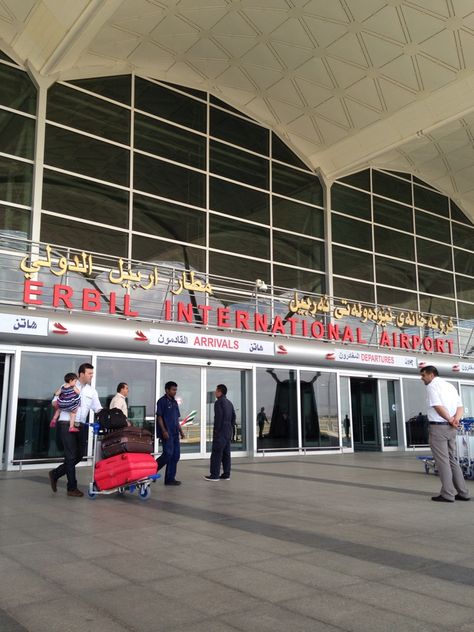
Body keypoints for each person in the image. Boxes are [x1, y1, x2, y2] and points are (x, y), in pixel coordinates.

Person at [48, 363, 102, 497]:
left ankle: (55, 474)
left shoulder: (92, 391)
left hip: (81, 425)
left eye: (92, 373)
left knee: (79, 455)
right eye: (89, 373)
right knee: (71, 456)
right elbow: (54, 402)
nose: (91, 376)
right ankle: (71, 488)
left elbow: (98, 409)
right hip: (66, 423)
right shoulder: (66, 386)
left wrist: (111, 415)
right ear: (81, 374)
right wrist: (63, 401)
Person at [420, 365, 470, 503]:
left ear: (431, 374)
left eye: (423, 375)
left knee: (442, 462)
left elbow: (437, 406)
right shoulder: (450, 386)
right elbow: (460, 407)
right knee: (452, 460)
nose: (421, 378)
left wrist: (450, 419)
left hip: (439, 428)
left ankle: (448, 494)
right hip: (451, 428)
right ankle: (463, 492)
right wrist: (455, 420)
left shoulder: (432, 386)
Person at [204, 384, 236, 481]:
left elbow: (219, 418)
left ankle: (214, 475)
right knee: (226, 454)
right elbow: (233, 417)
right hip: (227, 432)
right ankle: (226, 474)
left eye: (216, 390)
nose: (215, 392)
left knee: (216, 454)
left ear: (220, 392)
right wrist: (230, 428)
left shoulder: (218, 403)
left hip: (220, 432)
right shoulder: (229, 403)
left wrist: (216, 431)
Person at [156, 381, 185, 486]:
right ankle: (152, 471)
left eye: (176, 390)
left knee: (175, 456)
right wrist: (163, 430)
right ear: (167, 390)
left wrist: (181, 431)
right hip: (167, 433)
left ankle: (170, 479)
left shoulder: (174, 402)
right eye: (173, 389)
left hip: (175, 433)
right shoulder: (161, 402)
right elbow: (159, 417)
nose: (175, 392)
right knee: (168, 454)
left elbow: (176, 419)